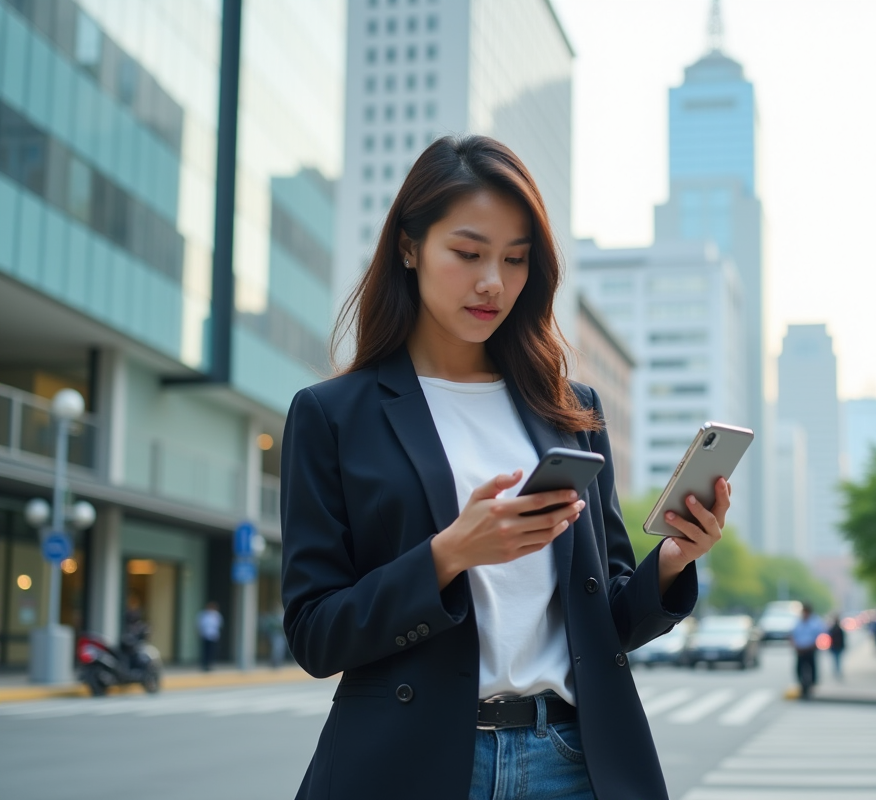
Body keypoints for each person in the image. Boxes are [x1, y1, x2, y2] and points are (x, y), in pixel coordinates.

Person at [280, 135, 732, 800]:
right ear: (409, 247)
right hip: (413, 767)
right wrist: (448, 555)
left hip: (571, 763)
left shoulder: (571, 410)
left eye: (515, 259)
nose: (494, 281)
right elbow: (315, 634)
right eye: (468, 253)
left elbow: (606, 623)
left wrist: (670, 562)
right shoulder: (333, 414)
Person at [791, 603, 826, 699]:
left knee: (812, 667)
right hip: (800, 650)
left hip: (811, 649)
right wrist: (795, 645)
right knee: (799, 668)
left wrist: (814, 646)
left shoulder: (816, 622)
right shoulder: (798, 622)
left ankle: (811, 686)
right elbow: (792, 634)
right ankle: (802, 685)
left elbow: (821, 635)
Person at [196, 601, 222, 672]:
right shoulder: (203, 614)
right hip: (205, 635)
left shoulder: (216, 615)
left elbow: (219, 625)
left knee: (212, 651)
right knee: (205, 651)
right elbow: (199, 625)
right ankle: (204, 664)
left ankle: (210, 664)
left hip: (213, 635)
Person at [826, 613, 846, 680]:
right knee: (837, 659)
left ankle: (837, 671)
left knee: (836, 659)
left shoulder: (833, 629)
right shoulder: (837, 629)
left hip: (836, 646)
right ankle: (837, 671)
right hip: (836, 646)